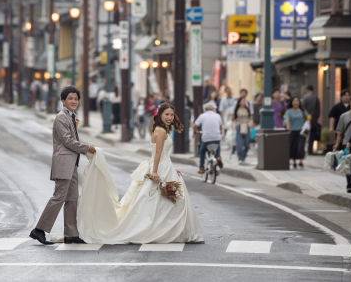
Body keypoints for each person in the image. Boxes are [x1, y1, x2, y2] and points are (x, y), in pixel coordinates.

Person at [76, 102, 204, 244]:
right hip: (160, 168)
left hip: (165, 166)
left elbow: (162, 154)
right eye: (166, 114)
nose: (169, 117)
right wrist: (154, 172)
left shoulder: (160, 129)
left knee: (167, 200)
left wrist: (172, 169)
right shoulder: (161, 131)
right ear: (160, 115)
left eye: (172, 115)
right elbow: (158, 153)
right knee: (168, 200)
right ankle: (163, 230)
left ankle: (164, 229)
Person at [30, 86, 96, 245]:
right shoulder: (61, 117)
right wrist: (86, 148)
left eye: (76, 99)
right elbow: (67, 141)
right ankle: (39, 230)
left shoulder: (71, 116)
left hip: (72, 163)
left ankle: (71, 234)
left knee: (72, 199)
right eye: (70, 98)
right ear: (63, 101)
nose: (74, 101)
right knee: (59, 197)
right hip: (64, 163)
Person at [194, 101, 223, 173]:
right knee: (218, 145)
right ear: (212, 109)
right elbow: (220, 126)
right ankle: (218, 156)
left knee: (202, 150)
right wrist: (220, 132)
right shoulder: (217, 115)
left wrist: (195, 131)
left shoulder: (202, 116)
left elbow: (195, 125)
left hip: (206, 138)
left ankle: (201, 167)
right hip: (216, 137)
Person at [285, 96, 306, 169]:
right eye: (294, 101)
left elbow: (308, 118)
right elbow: (287, 120)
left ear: (299, 102)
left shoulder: (303, 111)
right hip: (292, 131)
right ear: (291, 102)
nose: (296, 102)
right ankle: (294, 162)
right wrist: (288, 128)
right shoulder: (289, 111)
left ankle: (300, 160)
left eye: (297, 101)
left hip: (302, 132)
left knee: (300, 147)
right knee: (293, 146)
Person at [232, 96, 253, 164]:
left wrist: (251, 123)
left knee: (247, 143)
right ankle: (240, 158)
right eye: (242, 101)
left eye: (244, 101)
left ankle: (244, 156)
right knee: (239, 143)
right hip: (239, 126)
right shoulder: (237, 109)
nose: (244, 102)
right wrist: (234, 124)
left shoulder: (247, 109)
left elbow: (250, 117)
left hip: (247, 126)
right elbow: (234, 118)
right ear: (239, 102)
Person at [301, 86, 321, 155]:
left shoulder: (305, 98)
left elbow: (302, 108)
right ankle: (310, 150)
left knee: (304, 135)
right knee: (311, 136)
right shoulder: (316, 98)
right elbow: (318, 111)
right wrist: (315, 119)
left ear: (307, 90)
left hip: (305, 120)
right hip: (313, 120)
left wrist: (305, 118)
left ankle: (302, 149)